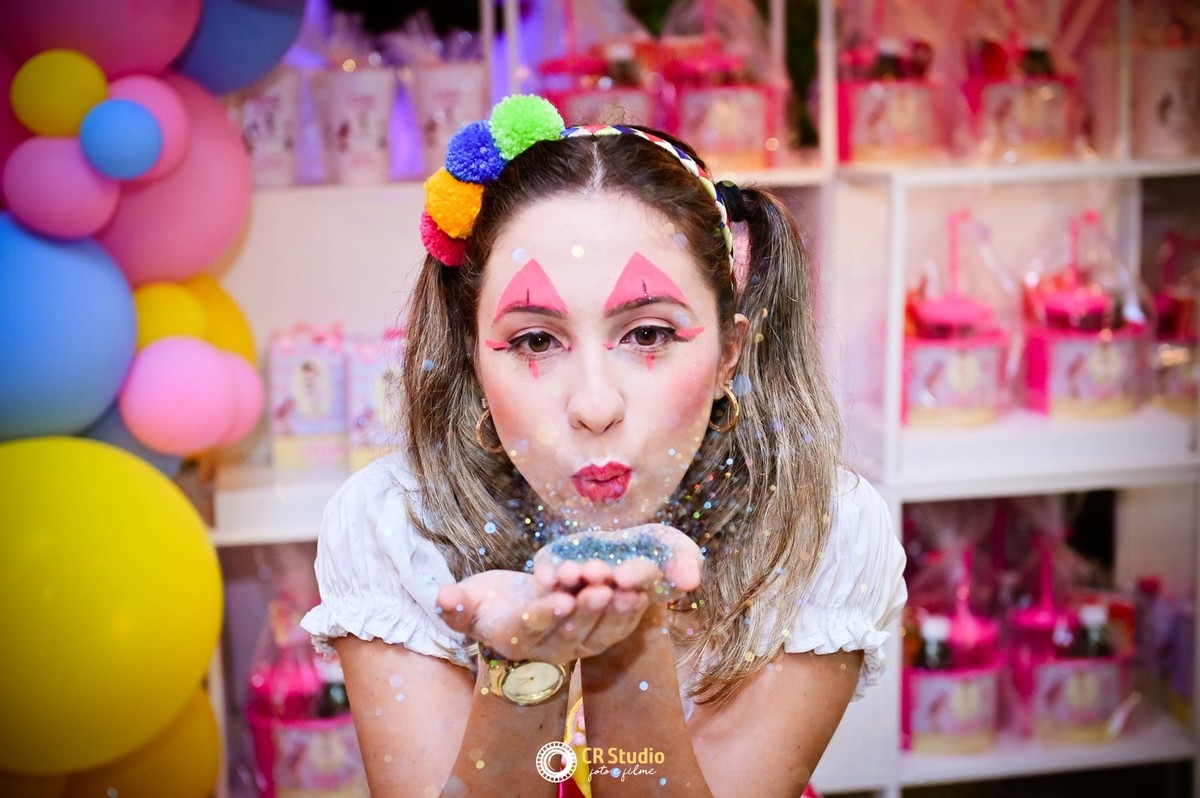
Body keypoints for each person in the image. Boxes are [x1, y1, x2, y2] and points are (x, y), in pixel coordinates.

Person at [301, 95, 907, 797]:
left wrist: (628, 638)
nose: (594, 405)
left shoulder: (817, 530)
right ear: (473, 361)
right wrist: (524, 662)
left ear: (728, 355)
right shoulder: (395, 530)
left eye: (648, 334)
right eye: (536, 341)